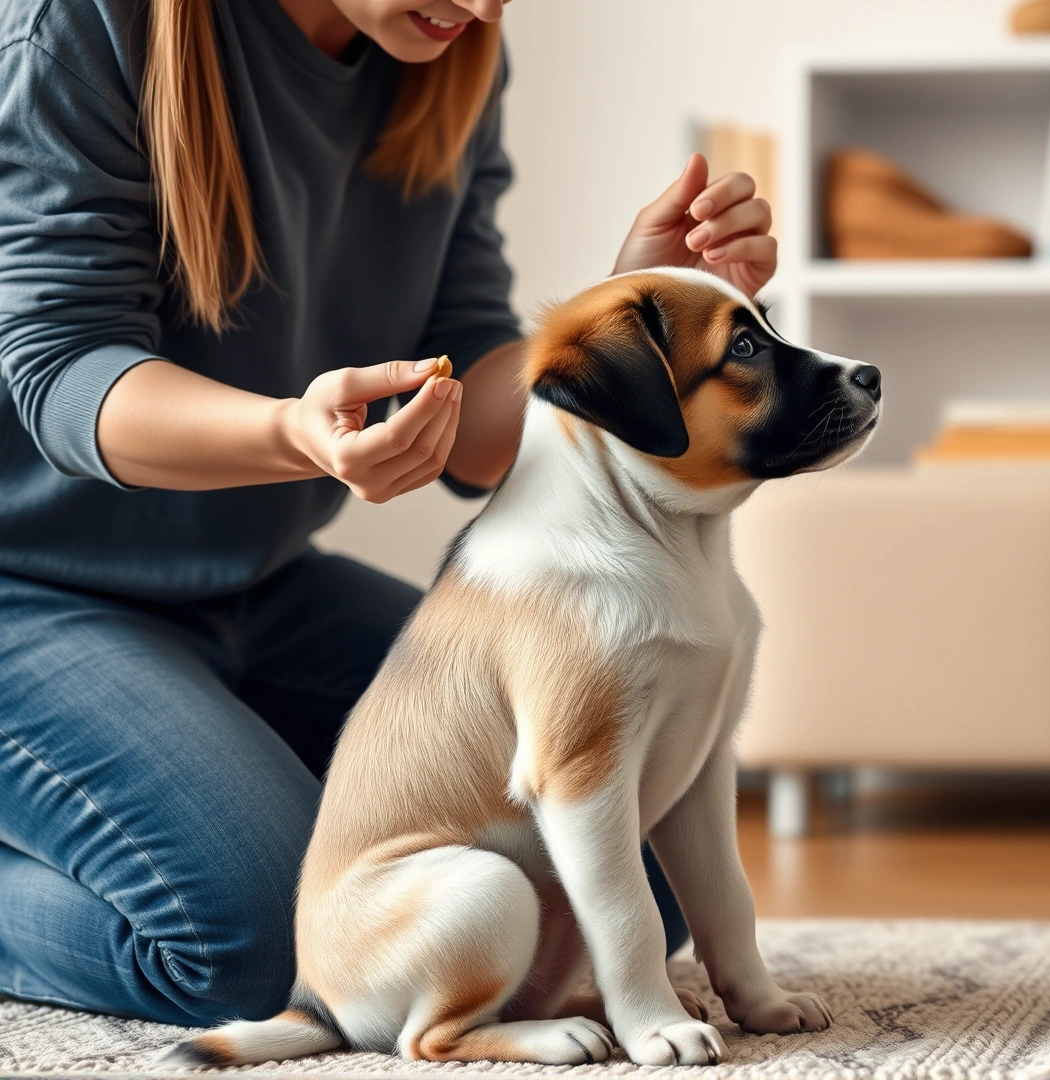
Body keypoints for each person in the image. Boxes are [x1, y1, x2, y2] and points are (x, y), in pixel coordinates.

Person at [0, 0, 776, 1026]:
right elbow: (58, 372)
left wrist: (632, 311)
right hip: (30, 598)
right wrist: (290, 432)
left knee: (629, 881)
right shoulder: (79, 28)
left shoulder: (439, 54)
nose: (484, 7)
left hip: (261, 582)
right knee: (254, 949)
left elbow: (471, 424)